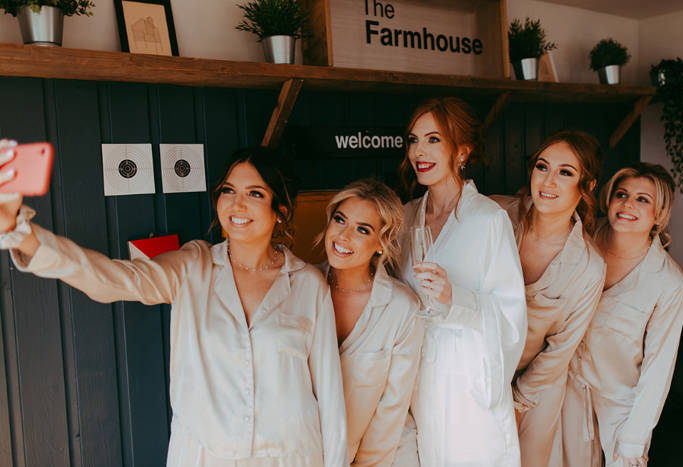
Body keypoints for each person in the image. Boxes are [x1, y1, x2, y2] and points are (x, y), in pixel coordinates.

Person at [0, 141, 349, 467]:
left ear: (280, 211)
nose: (236, 204)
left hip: (291, 457)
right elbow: (113, 279)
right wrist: (20, 232)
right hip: (204, 456)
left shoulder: (308, 284)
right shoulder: (193, 265)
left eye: (254, 193)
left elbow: (330, 401)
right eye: (228, 191)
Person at [397, 97, 527, 466]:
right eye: (413, 139)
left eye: (433, 139)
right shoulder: (407, 218)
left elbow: (511, 317)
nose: (419, 150)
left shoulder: (488, 220)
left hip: (467, 383)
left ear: (462, 151)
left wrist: (458, 298)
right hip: (416, 380)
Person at [561, 163, 683, 467]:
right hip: (565, 382)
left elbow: (659, 365)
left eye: (642, 199)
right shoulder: (583, 233)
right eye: (622, 194)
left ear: (659, 213)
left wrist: (634, 437)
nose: (628, 203)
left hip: (619, 399)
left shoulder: (669, 281)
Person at [490, 130, 606, 467]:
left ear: (588, 185)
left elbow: (560, 349)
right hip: (475, 368)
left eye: (565, 172)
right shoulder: (494, 216)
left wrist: (517, 403)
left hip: (535, 384)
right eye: (543, 167)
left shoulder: (588, 266)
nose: (548, 181)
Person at [315, 179, 424, 466]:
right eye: (340, 220)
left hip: (384, 458)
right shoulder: (300, 288)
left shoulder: (402, 309)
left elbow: (393, 406)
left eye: (363, 229)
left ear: (382, 242)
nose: (344, 235)